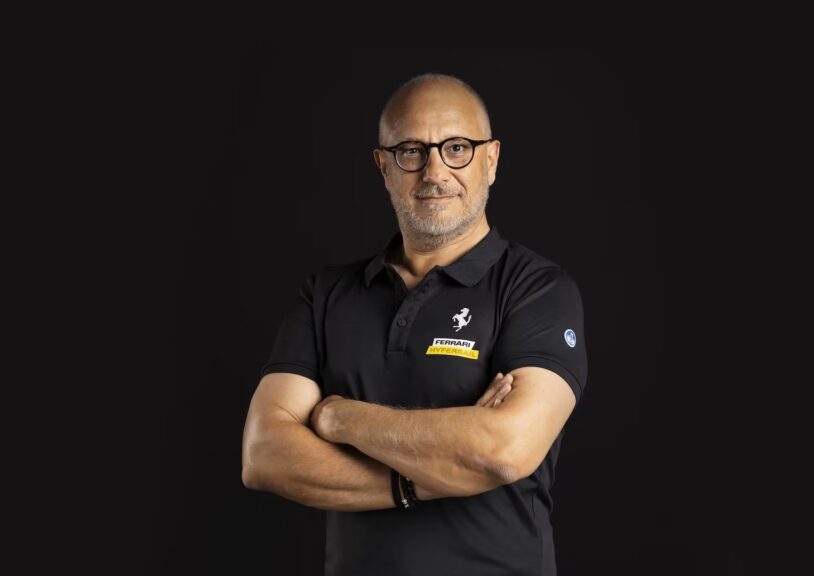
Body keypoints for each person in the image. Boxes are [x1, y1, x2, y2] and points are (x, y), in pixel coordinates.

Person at [242, 73, 588, 576]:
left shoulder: (537, 289)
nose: (434, 171)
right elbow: (264, 455)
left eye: (457, 148)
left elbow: (505, 450)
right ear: (383, 166)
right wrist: (423, 480)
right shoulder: (327, 295)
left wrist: (340, 419)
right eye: (411, 151)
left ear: (491, 160)